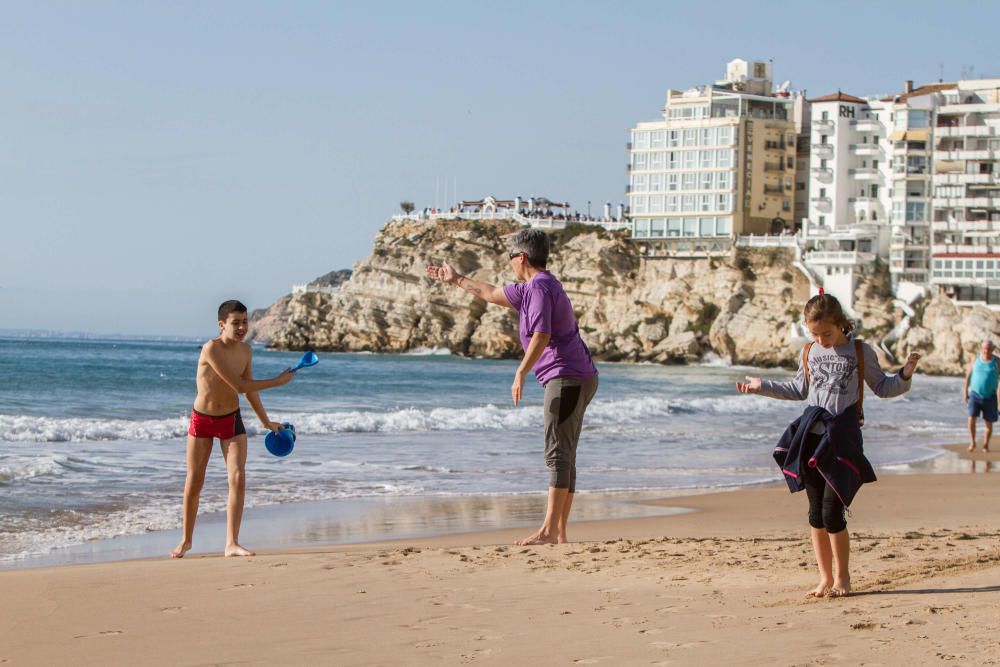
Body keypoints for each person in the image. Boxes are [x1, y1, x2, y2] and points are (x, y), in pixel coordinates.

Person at [736, 292, 920, 598]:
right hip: (810, 438)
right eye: (814, 334)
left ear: (841, 325)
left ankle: (842, 578)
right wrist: (762, 386)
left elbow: (884, 388)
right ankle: (824, 579)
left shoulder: (860, 352)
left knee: (833, 513)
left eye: (827, 333)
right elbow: (797, 389)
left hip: (841, 441)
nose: (821, 340)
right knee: (815, 515)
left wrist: (905, 374)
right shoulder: (809, 352)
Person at [425, 228, 598, 545]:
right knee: (565, 454)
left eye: (509, 257)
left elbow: (542, 335)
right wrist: (456, 279)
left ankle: (548, 531)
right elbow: (490, 293)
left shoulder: (540, 289)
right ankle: (558, 532)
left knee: (558, 454)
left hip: (567, 377)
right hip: (578, 375)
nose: (509, 263)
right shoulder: (532, 287)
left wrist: (520, 371)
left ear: (521, 257)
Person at [171, 300, 295, 559]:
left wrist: (266, 422)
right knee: (195, 481)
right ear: (222, 324)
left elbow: (248, 391)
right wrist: (278, 382)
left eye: (245, 322)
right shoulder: (211, 349)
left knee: (238, 478)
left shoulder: (246, 352)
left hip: (231, 420)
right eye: (235, 322)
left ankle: (231, 543)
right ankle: (186, 539)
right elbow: (238, 385)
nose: (241, 327)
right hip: (202, 420)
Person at [963, 339, 999, 453]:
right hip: (975, 395)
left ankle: (985, 445)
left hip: (990, 396)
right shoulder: (975, 359)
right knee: (971, 419)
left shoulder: (997, 361)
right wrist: (965, 392)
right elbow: (968, 376)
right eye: (984, 348)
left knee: (988, 423)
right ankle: (972, 442)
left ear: (992, 349)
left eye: (988, 349)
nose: (985, 351)